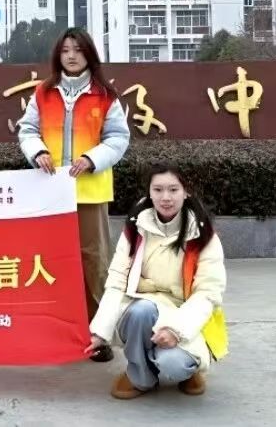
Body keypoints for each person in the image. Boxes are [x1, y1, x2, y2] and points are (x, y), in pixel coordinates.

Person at [16, 27, 130, 362]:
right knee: (50, 262)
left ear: (89, 54)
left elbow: (118, 138)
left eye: (78, 50)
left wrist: (92, 159)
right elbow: (28, 130)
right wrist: (37, 152)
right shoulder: (43, 92)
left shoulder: (104, 96)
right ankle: (55, 331)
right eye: (65, 50)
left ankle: (99, 335)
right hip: (50, 194)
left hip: (89, 192)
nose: (71, 56)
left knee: (95, 262)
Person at [85, 163, 228, 399]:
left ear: (186, 191)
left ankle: (187, 370)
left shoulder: (202, 235)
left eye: (173, 190)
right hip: (143, 305)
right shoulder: (136, 227)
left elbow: (208, 292)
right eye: (158, 190)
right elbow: (117, 280)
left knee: (174, 364)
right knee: (140, 312)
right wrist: (100, 331)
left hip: (184, 312)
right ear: (149, 192)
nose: (166, 197)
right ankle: (140, 376)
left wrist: (175, 330)